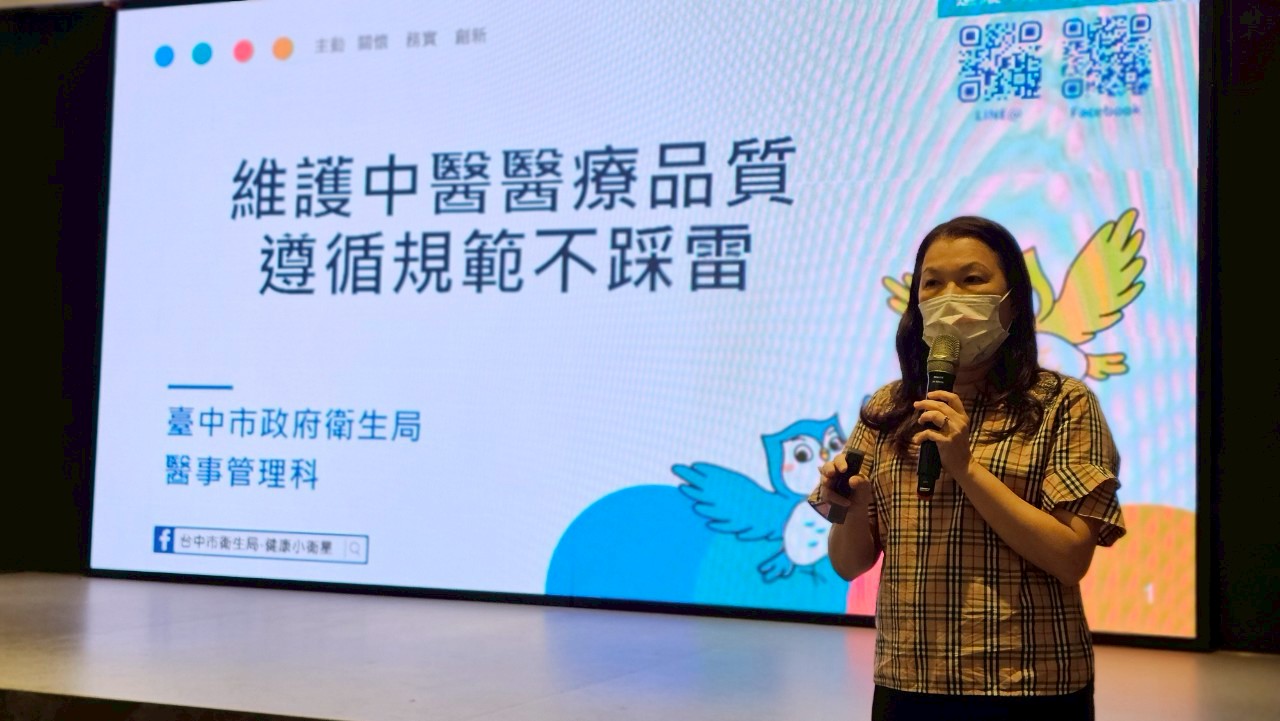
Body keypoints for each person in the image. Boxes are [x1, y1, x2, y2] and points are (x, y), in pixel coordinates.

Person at [810, 216, 1125, 721]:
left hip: (1028, 684)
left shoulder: (1062, 403)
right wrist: (854, 505)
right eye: (932, 283)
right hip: (908, 681)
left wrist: (966, 467)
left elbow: (1071, 558)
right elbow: (848, 565)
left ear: (1013, 300)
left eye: (972, 279)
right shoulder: (888, 408)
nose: (949, 297)